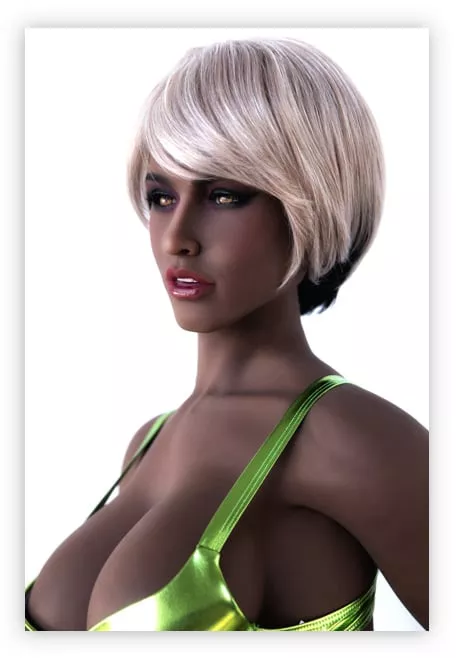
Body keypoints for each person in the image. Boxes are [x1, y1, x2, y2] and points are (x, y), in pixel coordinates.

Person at [25, 36, 428, 631]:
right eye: (161, 196)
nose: (176, 237)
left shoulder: (352, 438)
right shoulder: (147, 443)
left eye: (223, 195)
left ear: (310, 202)